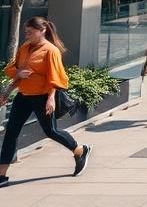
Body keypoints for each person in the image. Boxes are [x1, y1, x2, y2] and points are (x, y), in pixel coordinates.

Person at [0, 17, 91, 188]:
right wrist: (8, 91)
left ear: (42, 31)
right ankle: (2, 175)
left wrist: (50, 99)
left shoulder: (51, 50)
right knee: (11, 132)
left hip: (42, 97)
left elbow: (55, 77)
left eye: (30, 32)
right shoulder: (25, 48)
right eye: (26, 32)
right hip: (23, 96)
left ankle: (79, 150)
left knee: (51, 131)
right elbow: (16, 70)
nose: (26, 35)